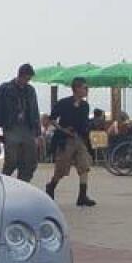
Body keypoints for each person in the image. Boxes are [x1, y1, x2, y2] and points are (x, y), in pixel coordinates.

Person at [44, 76, 96, 206]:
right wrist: (63, 130)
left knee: (84, 166)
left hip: (79, 139)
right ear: (77, 88)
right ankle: (51, 186)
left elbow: (84, 124)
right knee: (61, 169)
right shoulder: (64, 103)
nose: (87, 90)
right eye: (85, 88)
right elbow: (52, 119)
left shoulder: (85, 105)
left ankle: (82, 196)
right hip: (65, 139)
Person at [0, 63, 40, 183]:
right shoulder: (5, 88)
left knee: (30, 159)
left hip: (27, 128)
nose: (28, 81)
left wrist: (38, 133)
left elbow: (35, 110)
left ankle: (23, 182)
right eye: (27, 78)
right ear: (21, 75)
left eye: (29, 79)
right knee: (12, 160)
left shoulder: (30, 90)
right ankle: (4, 180)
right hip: (11, 127)